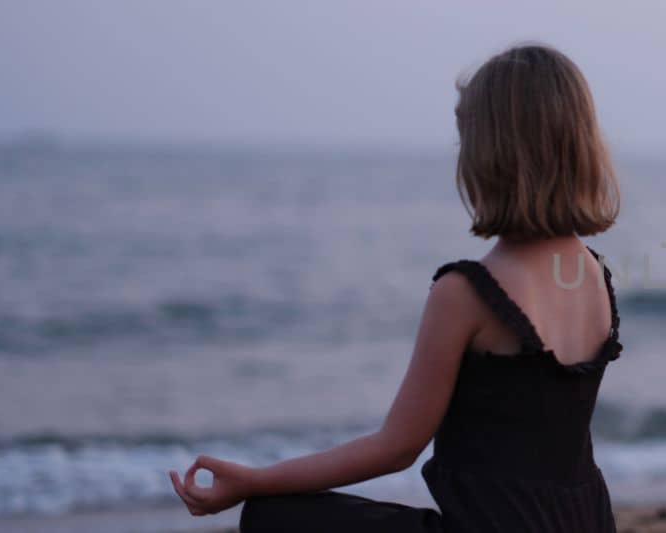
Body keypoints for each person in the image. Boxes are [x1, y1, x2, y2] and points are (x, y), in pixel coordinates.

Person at [168, 43, 625, 533]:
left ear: (493, 155)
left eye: (466, 139)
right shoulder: (591, 273)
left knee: (275, 516)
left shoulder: (467, 292)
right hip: (587, 523)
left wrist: (253, 481)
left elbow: (397, 448)